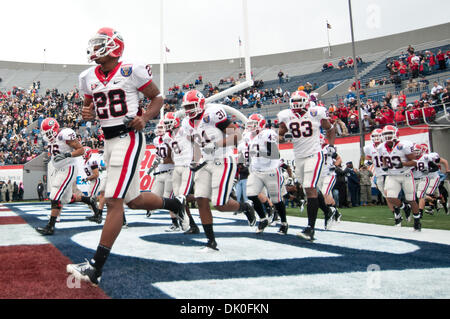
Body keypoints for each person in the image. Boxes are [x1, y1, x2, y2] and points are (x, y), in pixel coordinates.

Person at [67, 27, 187, 286]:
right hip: (108, 140)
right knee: (132, 201)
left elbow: (157, 97)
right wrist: (87, 112)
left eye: (101, 43)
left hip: (129, 137)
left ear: (114, 47)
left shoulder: (131, 70)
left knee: (112, 201)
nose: (95, 48)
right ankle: (174, 204)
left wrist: (144, 117)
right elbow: (88, 105)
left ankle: (95, 268)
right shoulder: (87, 76)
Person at [181, 89, 256, 251]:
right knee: (201, 199)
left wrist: (216, 144)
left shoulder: (213, 113)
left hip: (222, 160)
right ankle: (211, 242)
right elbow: (196, 145)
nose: (188, 111)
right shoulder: (186, 123)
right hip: (204, 163)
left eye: (191, 106)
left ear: (200, 104)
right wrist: (194, 161)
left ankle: (245, 207)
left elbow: (237, 134)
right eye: (186, 107)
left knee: (220, 204)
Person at [277, 90, 336, 241]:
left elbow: (329, 128)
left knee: (310, 188)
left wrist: (331, 145)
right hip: (299, 156)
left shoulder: (316, 112)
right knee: (309, 189)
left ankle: (310, 229)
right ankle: (328, 212)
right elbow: (281, 133)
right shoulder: (286, 115)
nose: (296, 104)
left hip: (314, 154)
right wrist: (280, 137)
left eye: (299, 100)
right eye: (294, 100)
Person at [245, 114, 289, 234]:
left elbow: (274, 153)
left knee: (276, 199)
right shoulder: (248, 136)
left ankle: (284, 223)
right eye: (250, 124)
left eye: (253, 124)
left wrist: (259, 153)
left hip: (271, 170)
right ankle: (263, 219)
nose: (251, 127)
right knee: (251, 194)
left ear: (261, 124)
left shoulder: (268, 133)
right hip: (256, 170)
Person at [377, 125, 421, 230]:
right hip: (392, 175)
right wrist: (384, 166)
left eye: (389, 134)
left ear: (395, 134)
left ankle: (417, 221)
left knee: (411, 199)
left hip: (406, 174)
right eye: (385, 134)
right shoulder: (381, 147)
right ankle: (404, 207)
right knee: (390, 197)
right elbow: (384, 158)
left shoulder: (404, 145)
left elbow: (415, 162)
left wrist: (403, 164)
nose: (387, 136)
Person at [163, 112, 200, 234]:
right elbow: (172, 154)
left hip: (186, 166)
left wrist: (195, 160)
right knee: (177, 200)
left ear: (175, 122)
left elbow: (196, 143)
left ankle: (189, 224)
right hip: (177, 167)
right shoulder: (167, 137)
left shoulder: (184, 130)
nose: (167, 126)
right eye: (166, 123)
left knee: (181, 197)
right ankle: (191, 225)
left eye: (169, 123)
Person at [150, 120, 188, 232]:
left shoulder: (170, 139)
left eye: (162, 127)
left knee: (169, 198)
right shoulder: (157, 140)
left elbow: (173, 158)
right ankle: (179, 215)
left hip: (171, 172)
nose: (159, 129)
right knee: (154, 197)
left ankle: (176, 223)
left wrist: (162, 160)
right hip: (161, 172)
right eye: (159, 127)